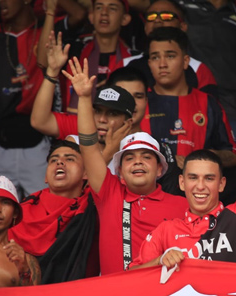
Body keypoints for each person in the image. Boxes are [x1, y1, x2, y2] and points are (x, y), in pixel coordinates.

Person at [65, 57, 188, 274]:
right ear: (119, 171)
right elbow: (89, 146)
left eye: (147, 157)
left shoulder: (182, 205)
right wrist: (84, 98)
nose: (138, 161)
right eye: (129, 158)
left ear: (160, 169)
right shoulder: (109, 193)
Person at [130, 148, 236, 269]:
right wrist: (160, 261)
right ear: (182, 182)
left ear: (221, 184)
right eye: (193, 178)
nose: (200, 186)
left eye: (209, 178)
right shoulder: (166, 230)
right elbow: (131, 277)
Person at [141, 27, 236, 195]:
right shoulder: (140, 102)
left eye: (170, 56)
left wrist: (200, 158)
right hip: (147, 199)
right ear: (149, 63)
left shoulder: (208, 103)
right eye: (155, 57)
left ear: (186, 61)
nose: (162, 64)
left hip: (197, 198)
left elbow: (234, 156)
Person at [0, 0, 48, 197]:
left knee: (41, 211)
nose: (1, 2)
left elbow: (79, 16)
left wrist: (53, 10)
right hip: (0, 142)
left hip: (39, 141)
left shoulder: (45, 31)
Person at [31, 31, 140, 152]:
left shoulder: (140, 149)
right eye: (97, 111)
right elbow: (40, 121)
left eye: (113, 113)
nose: (102, 119)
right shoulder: (84, 128)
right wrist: (52, 72)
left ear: (128, 123)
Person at [8, 141, 99, 282]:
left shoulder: (93, 205)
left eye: (69, 159)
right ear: (45, 177)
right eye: (54, 160)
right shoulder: (20, 211)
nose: (60, 163)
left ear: (86, 173)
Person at [178, 0, 236, 142]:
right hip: (191, 101)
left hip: (231, 106)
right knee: (191, 160)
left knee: (235, 160)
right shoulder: (183, 7)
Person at [118, 0, 217, 96]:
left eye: (166, 16)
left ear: (183, 27)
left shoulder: (198, 69)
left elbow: (210, 109)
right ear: (145, 27)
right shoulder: (125, 65)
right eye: (151, 16)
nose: (157, 20)